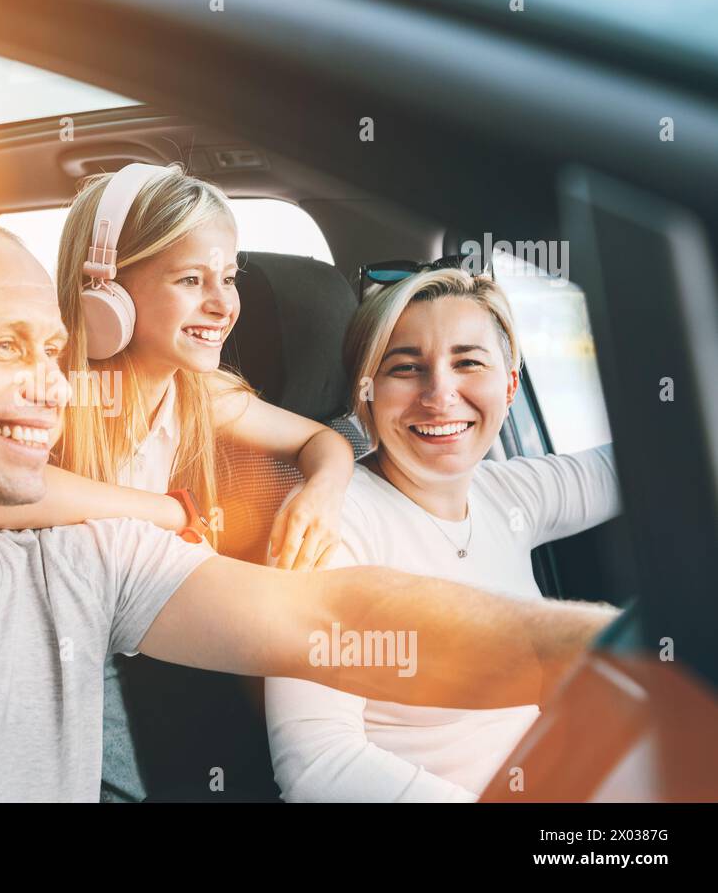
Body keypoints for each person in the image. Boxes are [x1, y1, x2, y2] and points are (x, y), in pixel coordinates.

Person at [0, 210, 616, 802]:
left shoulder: (81, 562)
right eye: (4, 348)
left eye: (53, 351)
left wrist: (617, 659)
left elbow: (335, 619)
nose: (56, 388)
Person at [0, 163, 354, 800]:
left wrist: (319, 489)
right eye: (191, 280)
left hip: (132, 643)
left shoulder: (196, 393)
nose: (223, 303)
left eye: (229, 278)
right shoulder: (61, 388)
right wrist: (162, 512)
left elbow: (321, 441)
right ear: (107, 290)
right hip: (39, 657)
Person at [264, 264, 620, 802]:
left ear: (510, 384)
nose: (440, 394)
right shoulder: (333, 523)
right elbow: (315, 765)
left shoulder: (506, 494)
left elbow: (639, 467)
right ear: (366, 393)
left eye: (468, 362)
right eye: (405, 369)